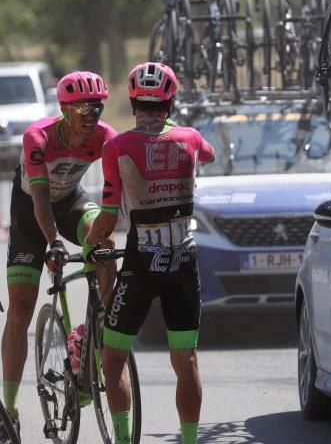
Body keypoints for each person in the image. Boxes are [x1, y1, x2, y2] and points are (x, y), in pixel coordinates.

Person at [84, 62, 215, 444]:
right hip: (183, 261)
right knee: (186, 359)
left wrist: (90, 246)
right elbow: (207, 154)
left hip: (142, 262)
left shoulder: (117, 147)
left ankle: (124, 441)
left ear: (133, 101)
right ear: (170, 103)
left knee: (113, 357)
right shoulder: (189, 138)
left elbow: (107, 219)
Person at [0, 70, 117, 439]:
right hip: (31, 211)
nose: (90, 114)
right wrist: (53, 242)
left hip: (70, 201)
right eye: (82, 106)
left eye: (96, 106)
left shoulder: (104, 137)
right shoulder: (39, 136)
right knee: (20, 310)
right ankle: (10, 407)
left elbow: (132, 158)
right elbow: (38, 200)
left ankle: (92, 332)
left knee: (107, 249)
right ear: (65, 109)